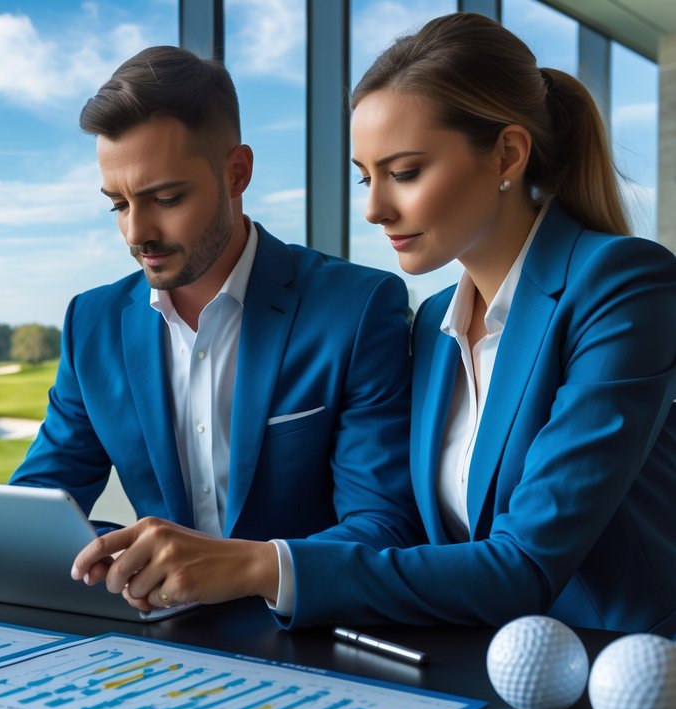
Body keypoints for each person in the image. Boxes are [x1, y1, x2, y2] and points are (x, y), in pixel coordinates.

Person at [73, 13, 676, 635]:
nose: (373, 208)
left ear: (508, 154)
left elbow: (523, 564)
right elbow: (427, 541)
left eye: (404, 173)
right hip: (473, 660)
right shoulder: (436, 322)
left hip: (626, 663)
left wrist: (257, 567)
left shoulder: (623, 285)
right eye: (366, 177)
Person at [0, 46, 421, 599]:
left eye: (165, 198)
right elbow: (37, 508)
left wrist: (241, 568)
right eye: (118, 204)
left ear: (236, 173)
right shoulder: (92, 322)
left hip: (307, 638)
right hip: (150, 637)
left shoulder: (357, 307)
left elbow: (382, 525)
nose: (137, 233)